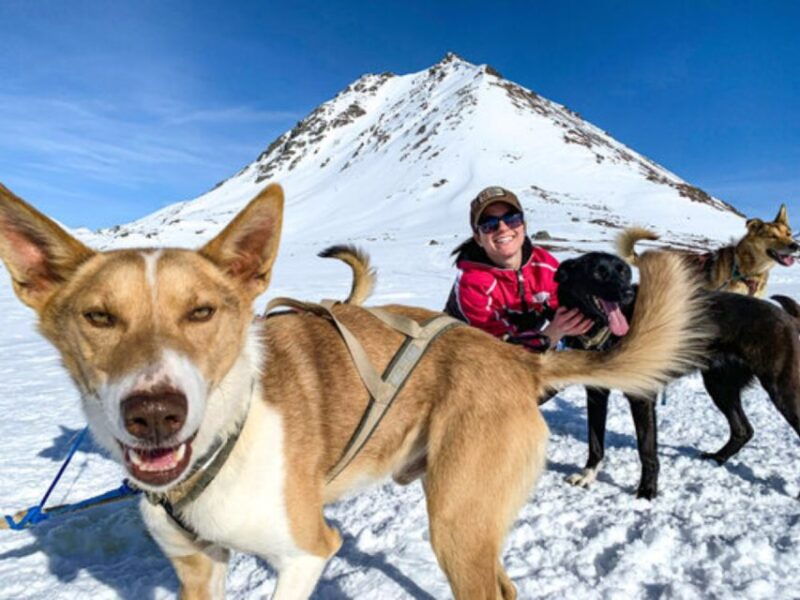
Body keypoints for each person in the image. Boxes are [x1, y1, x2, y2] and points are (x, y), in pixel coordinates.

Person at [445, 185, 592, 352]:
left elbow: (565, 309)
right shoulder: (473, 283)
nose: (502, 228)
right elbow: (501, 355)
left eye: (512, 219)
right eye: (489, 224)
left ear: (523, 225)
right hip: (466, 353)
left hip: (529, 344)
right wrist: (550, 335)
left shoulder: (544, 265)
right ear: (478, 238)